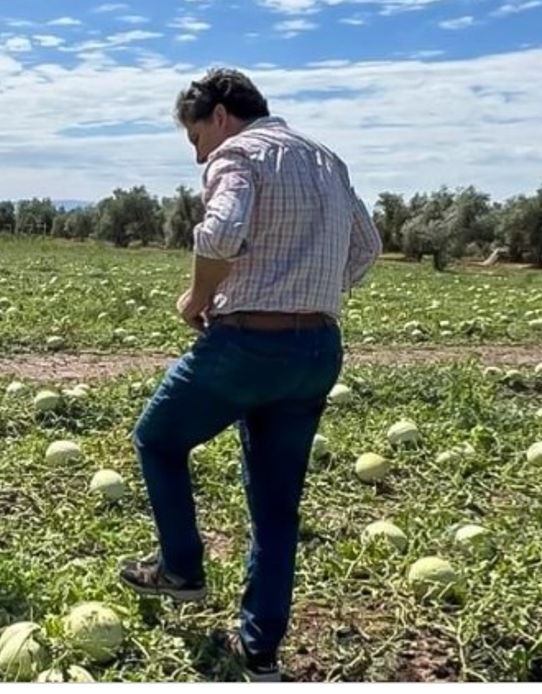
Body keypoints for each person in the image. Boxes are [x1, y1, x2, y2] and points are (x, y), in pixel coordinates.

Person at [117, 69, 381, 681]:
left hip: (248, 344)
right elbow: (367, 246)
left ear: (219, 117)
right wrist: (308, 291)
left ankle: (180, 567)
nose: (198, 155)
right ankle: (259, 651)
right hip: (318, 350)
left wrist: (196, 297)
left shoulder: (237, 154)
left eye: (195, 139)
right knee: (276, 506)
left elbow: (221, 231)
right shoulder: (325, 159)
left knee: (157, 440)